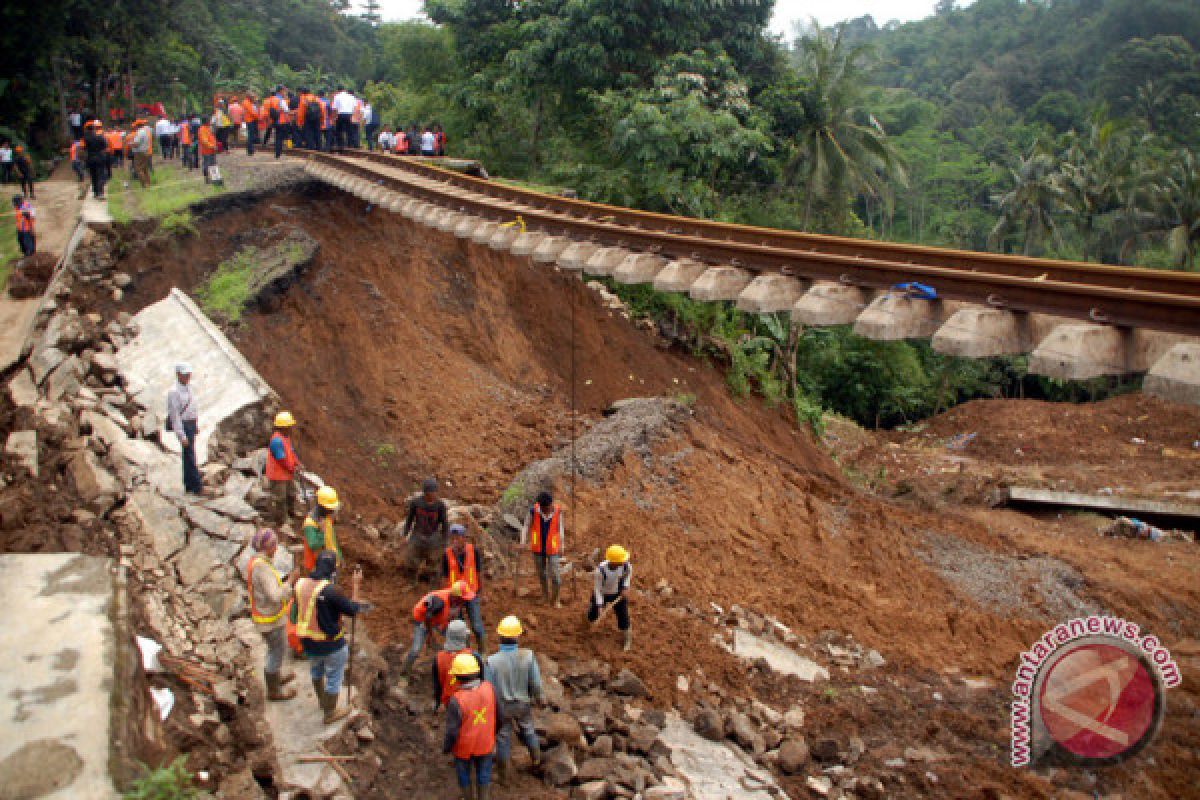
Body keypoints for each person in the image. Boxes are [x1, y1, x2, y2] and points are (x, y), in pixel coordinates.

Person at [295, 551, 370, 724]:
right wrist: (356, 585)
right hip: (330, 643)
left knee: (316, 670)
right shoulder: (332, 591)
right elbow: (353, 609)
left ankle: (323, 701)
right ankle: (330, 712)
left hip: (308, 641)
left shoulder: (300, 584)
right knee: (334, 677)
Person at [484, 615, 542, 784]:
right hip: (523, 703)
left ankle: (503, 775)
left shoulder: (492, 662)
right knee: (529, 730)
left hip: (503, 706)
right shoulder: (528, 656)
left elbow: (489, 688)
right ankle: (536, 760)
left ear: (499, 636)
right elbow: (536, 683)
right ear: (518, 636)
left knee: (503, 737)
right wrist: (537, 698)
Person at [247, 528, 300, 701]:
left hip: (267, 616)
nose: (276, 549)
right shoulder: (261, 568)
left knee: (278, 648)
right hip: (269, 620)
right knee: (276, 651)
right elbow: (275, 596)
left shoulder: (258, 562)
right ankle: (274, 689)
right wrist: (290, 582)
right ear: (267, 547)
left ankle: (276, 677)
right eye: (274, 545)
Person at [442, 653, 502, 800]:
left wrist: (447, 747)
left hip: (463, 747)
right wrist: (493, 733)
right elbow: (501, 715)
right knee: (484, 773)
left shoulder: (456, 700)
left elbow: (451, 731)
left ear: (457, 677)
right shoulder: (489, 688)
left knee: (463, 774)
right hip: (485, 743)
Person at [399, 580, 475, 684]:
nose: (465, 601)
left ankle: (465, 667)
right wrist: (430, 636)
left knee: (462, 634)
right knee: (415, 650)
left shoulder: (457, 600)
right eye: (463, 598)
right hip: (423, 620)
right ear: (456, 597)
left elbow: (454, 618)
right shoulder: (439, 601)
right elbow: (428, 617)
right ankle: (404, 675)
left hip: (440, 619)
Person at [443, 524, 485, 651]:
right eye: (453, 538)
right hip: (455, 596)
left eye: (458, 538)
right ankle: (466, 651)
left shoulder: (473, 551)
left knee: (476, 625)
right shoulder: (447, 554)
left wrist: (481, 592)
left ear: (464, 538)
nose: (455, 541)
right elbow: (444, 577)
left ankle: (483, 650)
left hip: (471, 593)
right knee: (460, 626)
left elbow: (478, 573)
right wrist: (447, 598)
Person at [404, 477, 449, 587]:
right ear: (425, 493)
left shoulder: (440, 506)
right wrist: (405, 534)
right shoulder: (416, 503)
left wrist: (444, 540)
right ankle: (412, 582)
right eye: (429, 493)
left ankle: (432, 585)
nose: (432, 495)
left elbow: (444, 523)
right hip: (417, 535)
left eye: (434, 492)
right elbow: (409, 519)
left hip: (433, 536)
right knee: (411, 559)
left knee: (434, 562)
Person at [166, 362, 203, 495]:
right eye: (184, 374)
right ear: (178, 375)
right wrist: (181, 435)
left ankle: (189, 485)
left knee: (189, 455)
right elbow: (175, 415)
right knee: (190, 455)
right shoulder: (173, 392)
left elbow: (192, 406)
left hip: (191, 424)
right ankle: (197, 486)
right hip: (184, 425)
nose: (187, 376)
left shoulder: (189, 388)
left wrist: (196, 424)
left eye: (188, 374)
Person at [587, 544, 633, 652]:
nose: (624, 561)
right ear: (613, 562)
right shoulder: (600, 571)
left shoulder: (626, 566)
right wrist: (599, 605)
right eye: (621, 560)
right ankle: (587, 625)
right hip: (602, 593)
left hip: (618, 594)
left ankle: (627, 638)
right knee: (592, 615)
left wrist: (625, 587)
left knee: (623, 617)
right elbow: (597, 589)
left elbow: (628, 575)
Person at [522, 491, 564, 607]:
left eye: (547, 508)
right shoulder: (533, 511)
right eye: (543, 508)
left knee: (555, 576)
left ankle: (555, 599)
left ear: (551, 504)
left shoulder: (558, 512)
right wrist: (523, 541)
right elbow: (526, 526)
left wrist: (562, 545)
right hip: (538, 548)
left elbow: (560, 529)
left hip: (553, 548)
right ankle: (545, 596)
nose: (545, 510)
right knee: (542, 574)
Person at [433, 619, 484, 712]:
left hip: (448, 704)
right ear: (464, 637)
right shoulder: (474, 656)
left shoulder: (438, 658)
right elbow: (482, 682)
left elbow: (437, 687)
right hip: (470, 703)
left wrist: (437, 704)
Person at [265, 411, 301, 527]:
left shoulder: (285, 437)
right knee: (280, 498)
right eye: (289, 426)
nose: (291, 428)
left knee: (291, 493)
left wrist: (297, 462)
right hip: (278, 475)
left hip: (286, 473)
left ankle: (291, 513)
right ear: (283, 427)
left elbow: (291, 451)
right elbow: (281, 459)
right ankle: (282, 520)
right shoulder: (276, 441)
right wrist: (291, 468)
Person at [301, 485, 343, 573]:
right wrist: (321, 532)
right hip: (317, 569)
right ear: (322, 506)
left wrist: (339, 556)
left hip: (331, 563)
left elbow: (332, 539)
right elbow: (314, 545)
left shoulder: (326, 517)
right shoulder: (310, 524)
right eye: (330, 508)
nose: (332, 511)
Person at [83, 122, 109, 199]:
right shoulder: (100, 137)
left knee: (93, 176)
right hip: (99, 158)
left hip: (90, 158)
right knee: (100, 175)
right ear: (94, 129)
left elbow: (83, 149)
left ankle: (95, 192)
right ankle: (100, 192)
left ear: (86, 129)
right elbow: (105, 147)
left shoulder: (85, 139)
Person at [130, 120, 152, 188]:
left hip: (139, 153)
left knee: (139, 169)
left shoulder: (139, 132)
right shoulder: (146, 131)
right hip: (146, 151)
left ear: (138, 125)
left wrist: (130, 144)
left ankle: (144, 185)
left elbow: (136, 144)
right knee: (145, 169)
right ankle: (148, 183)